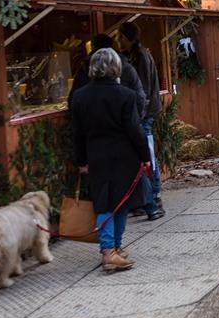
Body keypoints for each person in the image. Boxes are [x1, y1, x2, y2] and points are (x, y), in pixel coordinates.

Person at [70, 48, 151, 271]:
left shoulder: (79, 97)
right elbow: (135, 131)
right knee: (122, 202)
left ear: (93, 68)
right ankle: (111, 249)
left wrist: (81, 161)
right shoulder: (126, 95)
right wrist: (145, 156)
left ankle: (110, 250)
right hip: (125, 157)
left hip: (96, 157)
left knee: (103, 202)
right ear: (116, 67)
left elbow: (77, 133)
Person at [118, 22, 165, 221]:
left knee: (147, 155)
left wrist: (140, 116)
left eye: (121, 37)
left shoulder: (142, 57)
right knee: (143, 155)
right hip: (140, 114)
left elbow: (143, 91)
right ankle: (144, 198)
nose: (118, 40)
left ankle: (154, 195)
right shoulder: (132, 56)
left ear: (129, 37)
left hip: (144, 115)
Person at [68, 33, 146, 118]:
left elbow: (73, 102)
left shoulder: (84, 69)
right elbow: (140, 99)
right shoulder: (126, 67)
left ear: (92, 47)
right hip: (122, 124)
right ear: (111, 46)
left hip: (92, 126)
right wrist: (133, 120)